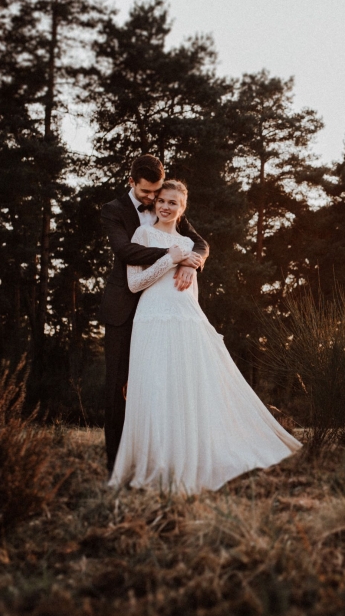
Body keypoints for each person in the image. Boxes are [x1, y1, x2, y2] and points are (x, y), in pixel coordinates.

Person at [109, 180, 301, 492]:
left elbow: (191, 288)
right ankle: (158, 459)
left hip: (186, 318)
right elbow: (135, 283)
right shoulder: (143, 235)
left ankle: (196, 451)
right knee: (156, 384)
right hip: (153, 316)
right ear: (155, 202)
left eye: (174, 203)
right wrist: (170, 260)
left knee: (188, 384)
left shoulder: (189, 244)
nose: (166, 207)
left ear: (182, 209)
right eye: (162, 201)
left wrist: (190, 266)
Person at [100, 155, 207, 473]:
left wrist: (191, 259)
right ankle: (117, 462)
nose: (153, 200)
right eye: (147, 193)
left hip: (162, 308)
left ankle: (159, 453)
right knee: (119, 387)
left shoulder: (165, 202)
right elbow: (125, 250)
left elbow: (198, 243)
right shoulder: (114, 210)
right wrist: (173, 255)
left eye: (157, 193)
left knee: (162, 382)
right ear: (131, 182)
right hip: (124, 307)